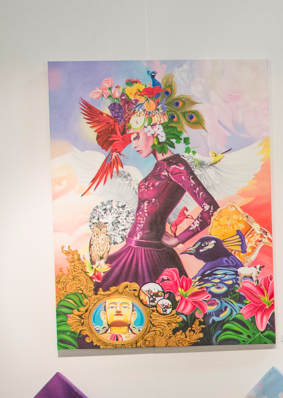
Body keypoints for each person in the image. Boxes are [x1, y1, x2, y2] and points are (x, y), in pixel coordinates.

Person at [80, 75, 219, 292]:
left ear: (153, 130)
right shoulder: (158, 167)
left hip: (151, 257)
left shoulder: (176, 166)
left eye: (136, 136)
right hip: (131, 250)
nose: (133, 144)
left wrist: (179, 239)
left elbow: (210, 207)